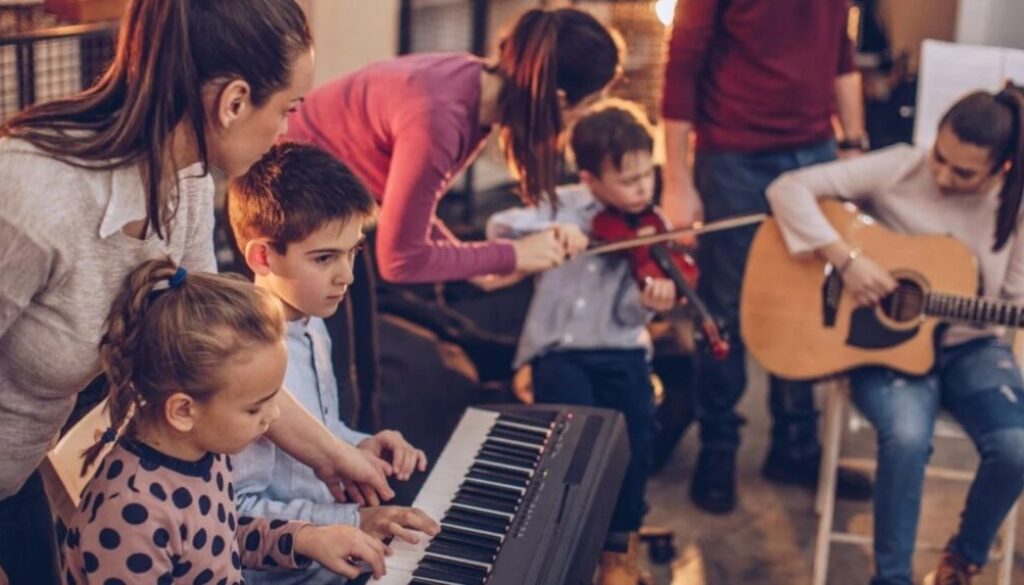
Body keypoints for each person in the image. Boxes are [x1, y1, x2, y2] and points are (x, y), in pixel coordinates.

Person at [0, 2, 389, 583]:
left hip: (22, 469)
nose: (285, 131)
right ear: (233, 102)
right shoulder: (30, 193)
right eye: (286, 110)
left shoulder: (188, 181)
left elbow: (230, 356)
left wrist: (340, 460)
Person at [766, 86, 1024, 585]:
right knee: (905, 438)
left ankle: (962, 562)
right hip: (880, 347)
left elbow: (1012, 303)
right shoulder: (903, 164)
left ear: (1002, 169)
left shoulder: (1015, 205)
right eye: (941, 157)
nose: (943, 176)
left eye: (964, 172)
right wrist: (848, 260)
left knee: (1018, 447)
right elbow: (787, 189)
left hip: (969, 347)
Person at [660, 0, 873, 514]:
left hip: (817, 151)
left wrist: (854, 142)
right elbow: (682, 63)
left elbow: (841, 49)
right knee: (724, 312)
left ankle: (795, 446)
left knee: (804, 305)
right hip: (734, 157)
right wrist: (677, 180)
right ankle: (719, 447)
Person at [62, 259, 394, 584]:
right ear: (183, 411)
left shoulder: (204, 451)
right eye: (255, 408)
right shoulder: (131, 514)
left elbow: (219, 536)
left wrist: (306, 539)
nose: (274, 415)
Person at [227, 143, 441, 584]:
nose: (346, 275)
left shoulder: (310, 324)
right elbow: (234, 513)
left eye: (352, 253)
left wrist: (360, 443)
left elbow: (321, 435)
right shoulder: (237, 362)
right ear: (262, 256)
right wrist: (352, 520)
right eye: (325, 258)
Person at [284, 7, 623, 285]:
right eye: (588, 104)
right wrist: (513, 254)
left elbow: (411, 205)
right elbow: (401, 259)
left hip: (325, 199)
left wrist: (474, 265)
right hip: (290, 197)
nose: (583, 116)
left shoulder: (474, 86)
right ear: (560, 99)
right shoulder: (440, 122)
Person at [487, 100, 677, 585]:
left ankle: (618, 552)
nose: (642, 190)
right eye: (629, 181)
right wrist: (552, 230)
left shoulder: (649, 227)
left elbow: (628, 316)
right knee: (571, 440)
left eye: (646, 177)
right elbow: (499, 229)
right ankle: (561, 545)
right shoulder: (562, 204)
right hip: (557, 349)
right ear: (590, 179)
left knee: (634, 435)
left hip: (621, 347)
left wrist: (651, 301)